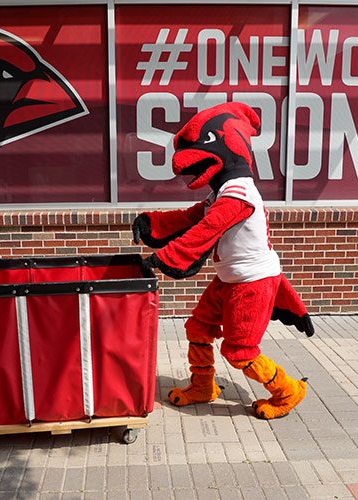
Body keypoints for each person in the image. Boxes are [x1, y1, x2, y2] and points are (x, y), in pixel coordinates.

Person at [132, 102, 314, 420]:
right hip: (230, 279)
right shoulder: (222, 194)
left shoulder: (239, 195)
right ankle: (203, 385)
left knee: (239, 351)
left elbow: (207, 229)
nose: (183, 164)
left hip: (253, 283)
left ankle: (288, 391)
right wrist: (152, 224)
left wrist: (163, 258)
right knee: (199, 329)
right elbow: (191, 216)